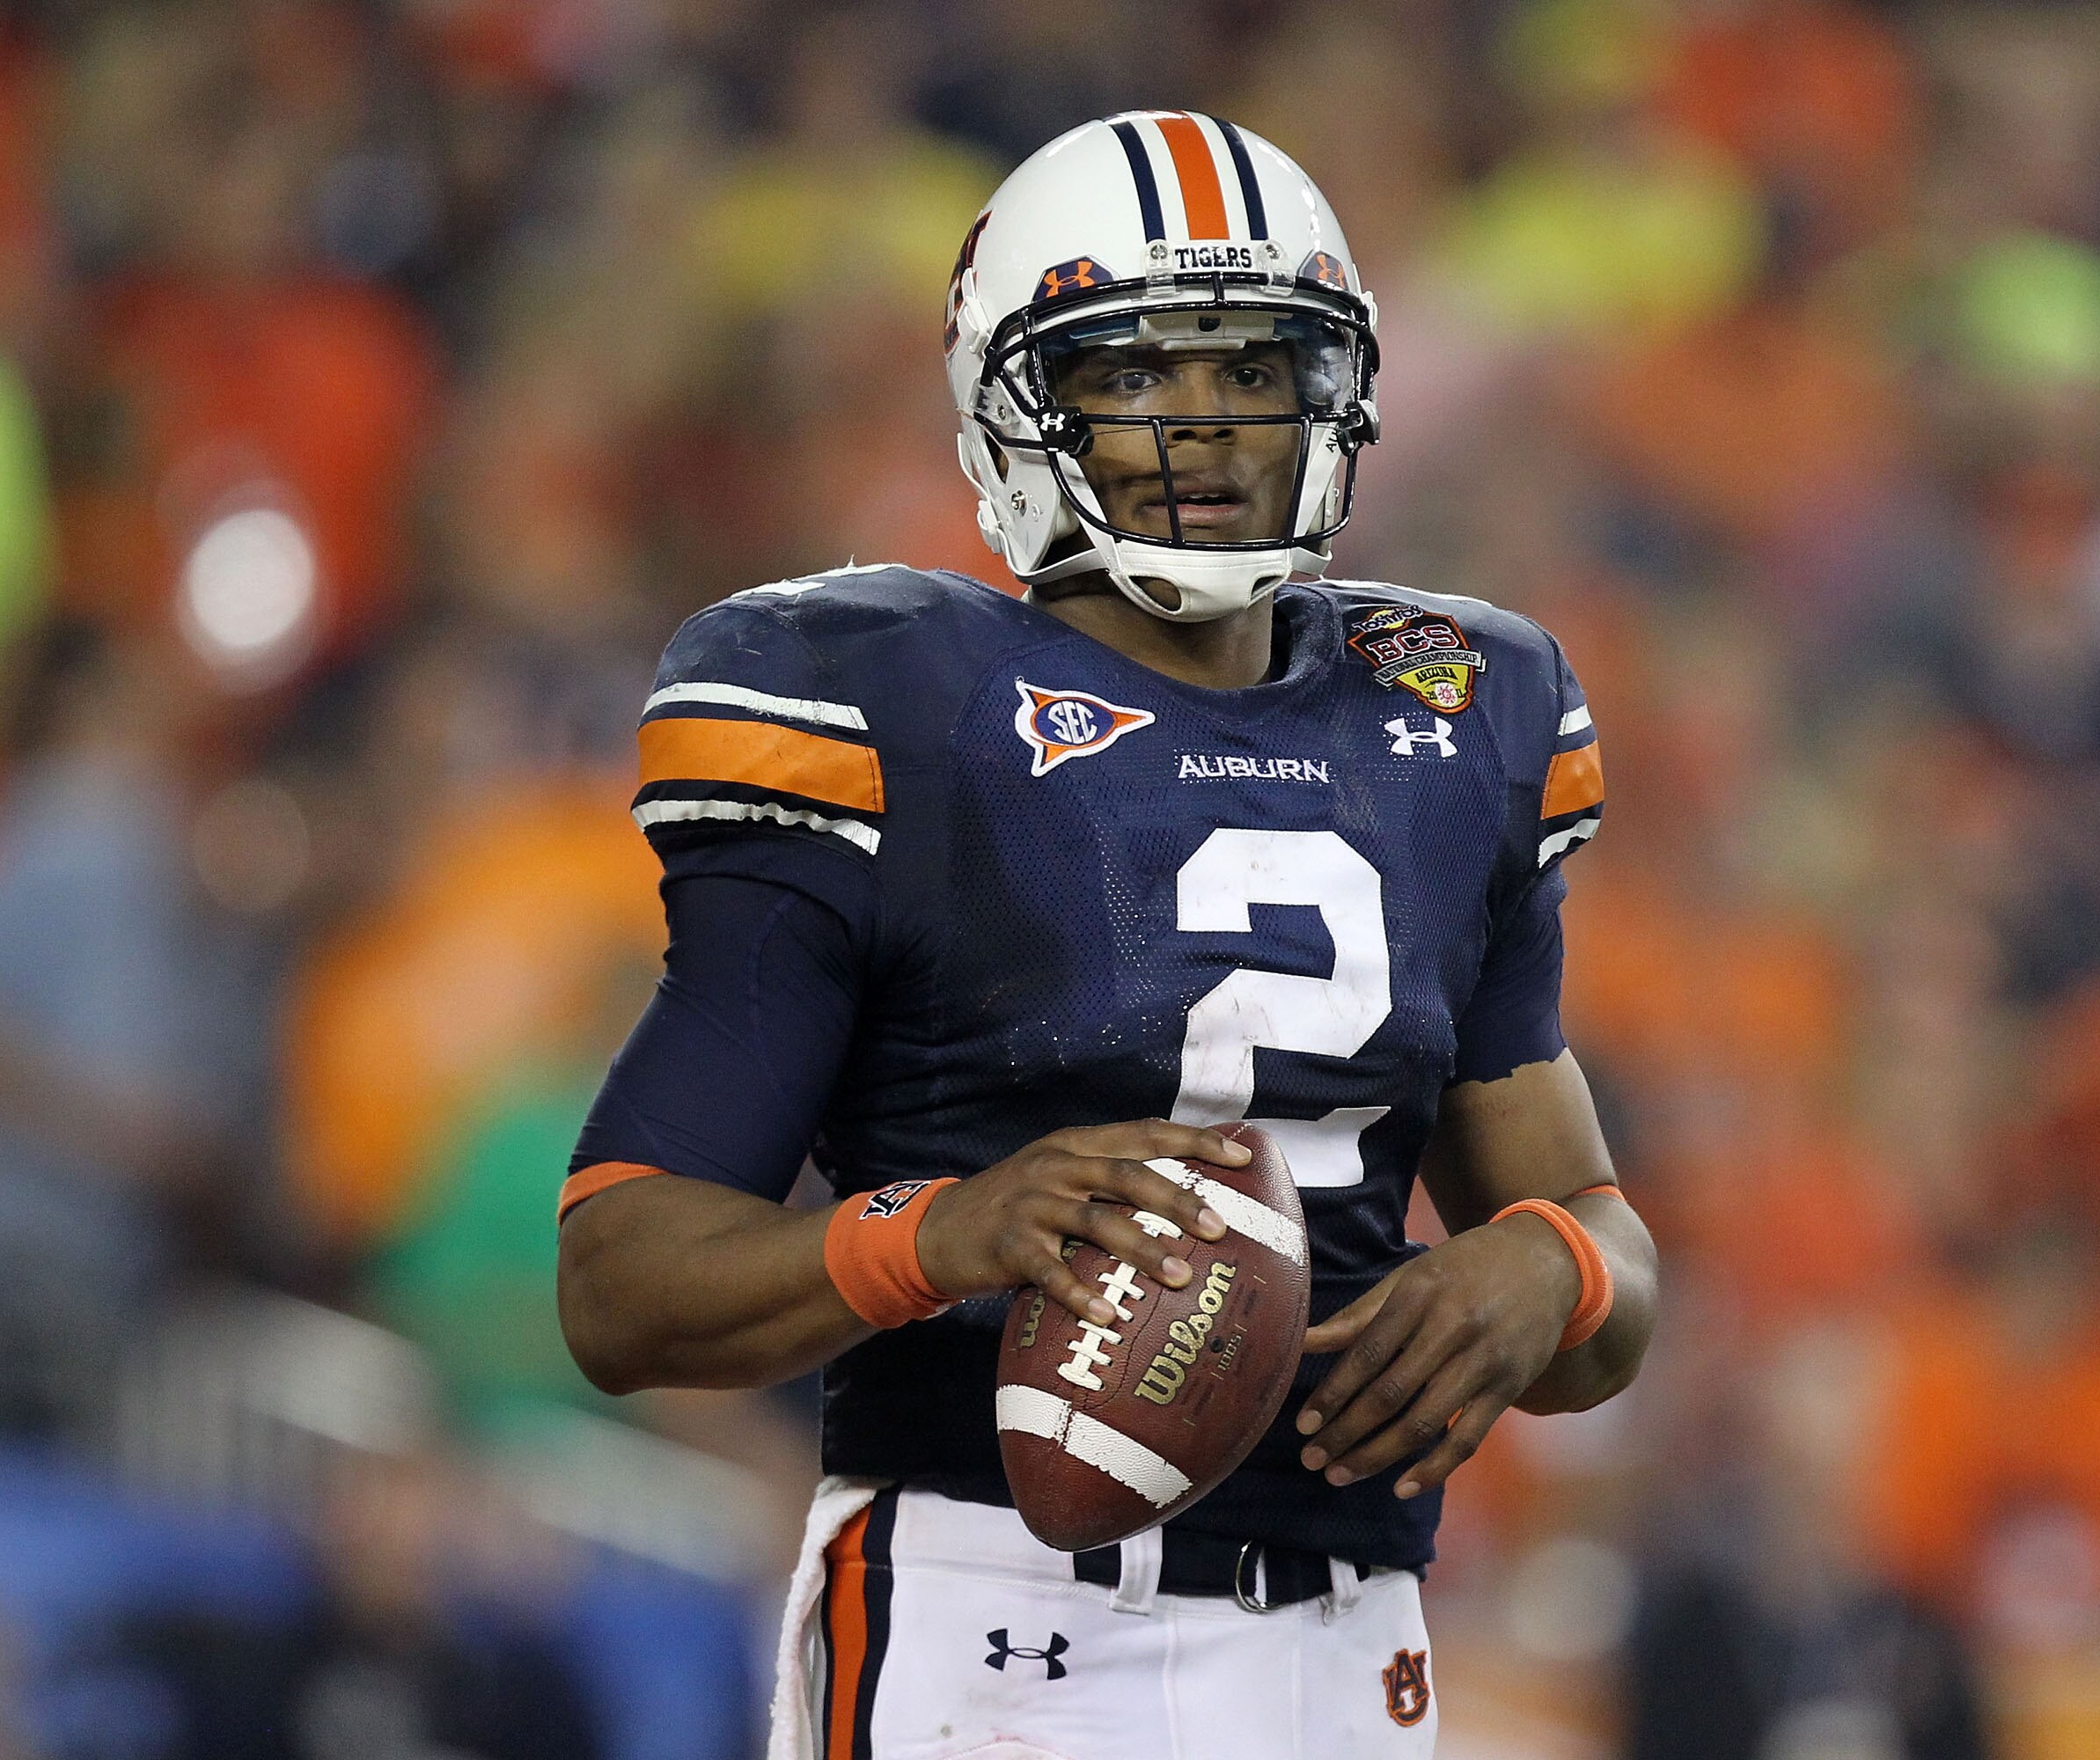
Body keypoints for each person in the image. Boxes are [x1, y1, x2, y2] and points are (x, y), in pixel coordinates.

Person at [554, 111, 1658, 1759]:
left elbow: (1604, 1263)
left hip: (1358, 1650)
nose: (1209, 432)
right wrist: (934, 1234)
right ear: (1019, 404)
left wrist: (1549, 1269)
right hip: (996, 1624)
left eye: (1256, 371)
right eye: (1141, 376)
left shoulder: (1456, 711)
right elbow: (620, 1286)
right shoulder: (883, 699)